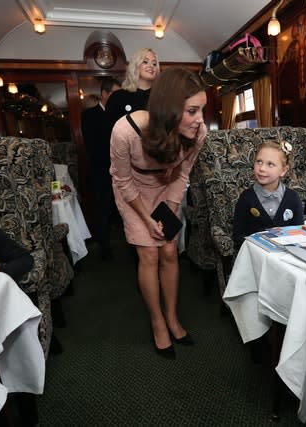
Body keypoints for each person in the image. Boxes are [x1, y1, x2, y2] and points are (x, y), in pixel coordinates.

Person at [109, 67, 207, 359]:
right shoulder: (124, 131)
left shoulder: (197, 133)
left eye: (202, 109)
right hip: (132, 192)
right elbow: (123, 180)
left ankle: (173, 317)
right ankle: (157, 323)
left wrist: (169, 213)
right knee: (149, 254)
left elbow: (183, 174)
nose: (201, 119)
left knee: (169, 249)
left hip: (167, 187)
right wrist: (146, 218)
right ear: (169, 108)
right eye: (193, 110)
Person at [232, 140, 304, 249]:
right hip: (255, 257)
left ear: (283, 170)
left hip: (285, 257)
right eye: (259, 161)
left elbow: (299, 234)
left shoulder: (293, 198)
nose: (262, 168)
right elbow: (238, 235)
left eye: (270, 164)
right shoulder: (246, 198)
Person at [81, 76, 121, 260]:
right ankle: (105, 249)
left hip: (122, 173)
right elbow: (93, 147)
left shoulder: (120, 115)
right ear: (104, 94)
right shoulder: (89, 115)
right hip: (101, 172)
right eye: (115, 93)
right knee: (103, 210)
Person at [106, 47, 159, 131]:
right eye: (145, 62)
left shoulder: (162, 97)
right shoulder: (118, 97)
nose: (151, 66)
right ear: (135, 66)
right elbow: (110, 131)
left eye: (154, 64)